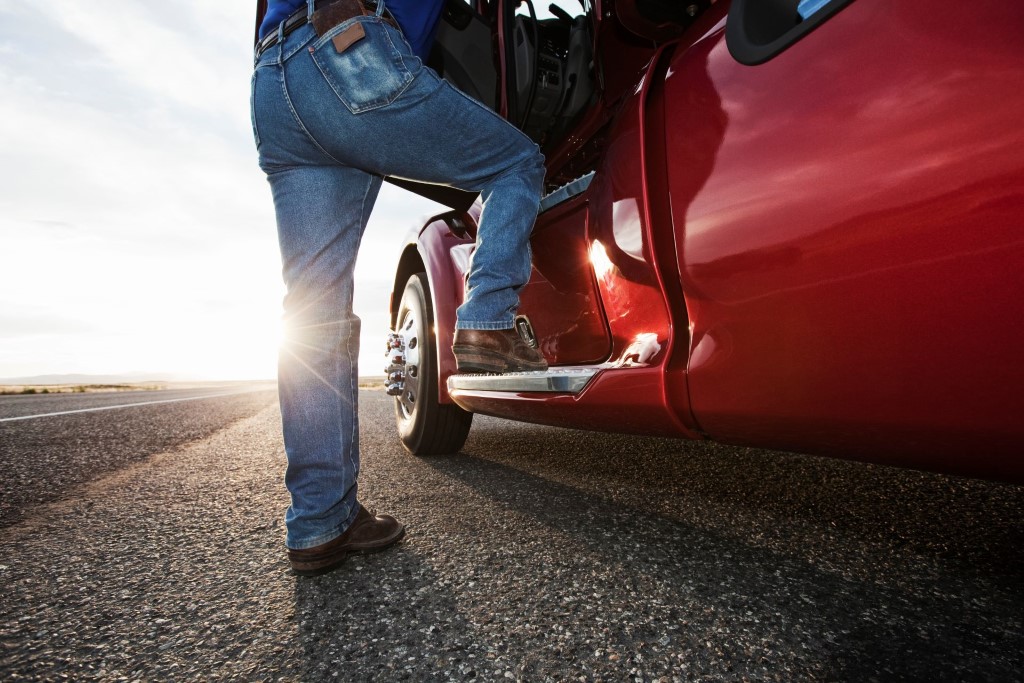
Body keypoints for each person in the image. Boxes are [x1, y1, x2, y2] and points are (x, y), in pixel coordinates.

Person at [250, 0, 548, 576]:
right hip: (346, 46)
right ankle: (487, 320)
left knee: (314, 314)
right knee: (515, 164)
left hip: (272, 82)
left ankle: (319, 521)